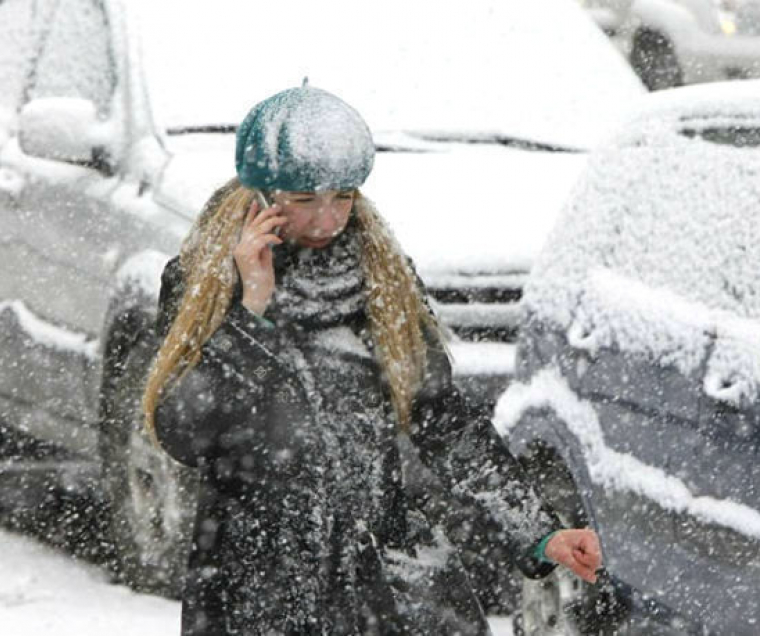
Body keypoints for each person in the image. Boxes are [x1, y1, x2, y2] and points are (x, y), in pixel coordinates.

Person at [142, 85, 602, 636]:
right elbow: (185, 431)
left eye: (343, 197)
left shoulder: (381, 279)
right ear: (260, 193)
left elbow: (443, 420)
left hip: (379, 579)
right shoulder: (204, 281)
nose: (325, 219)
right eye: (304, 199)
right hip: (255, 581)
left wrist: (537, 530)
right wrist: (252, 312)